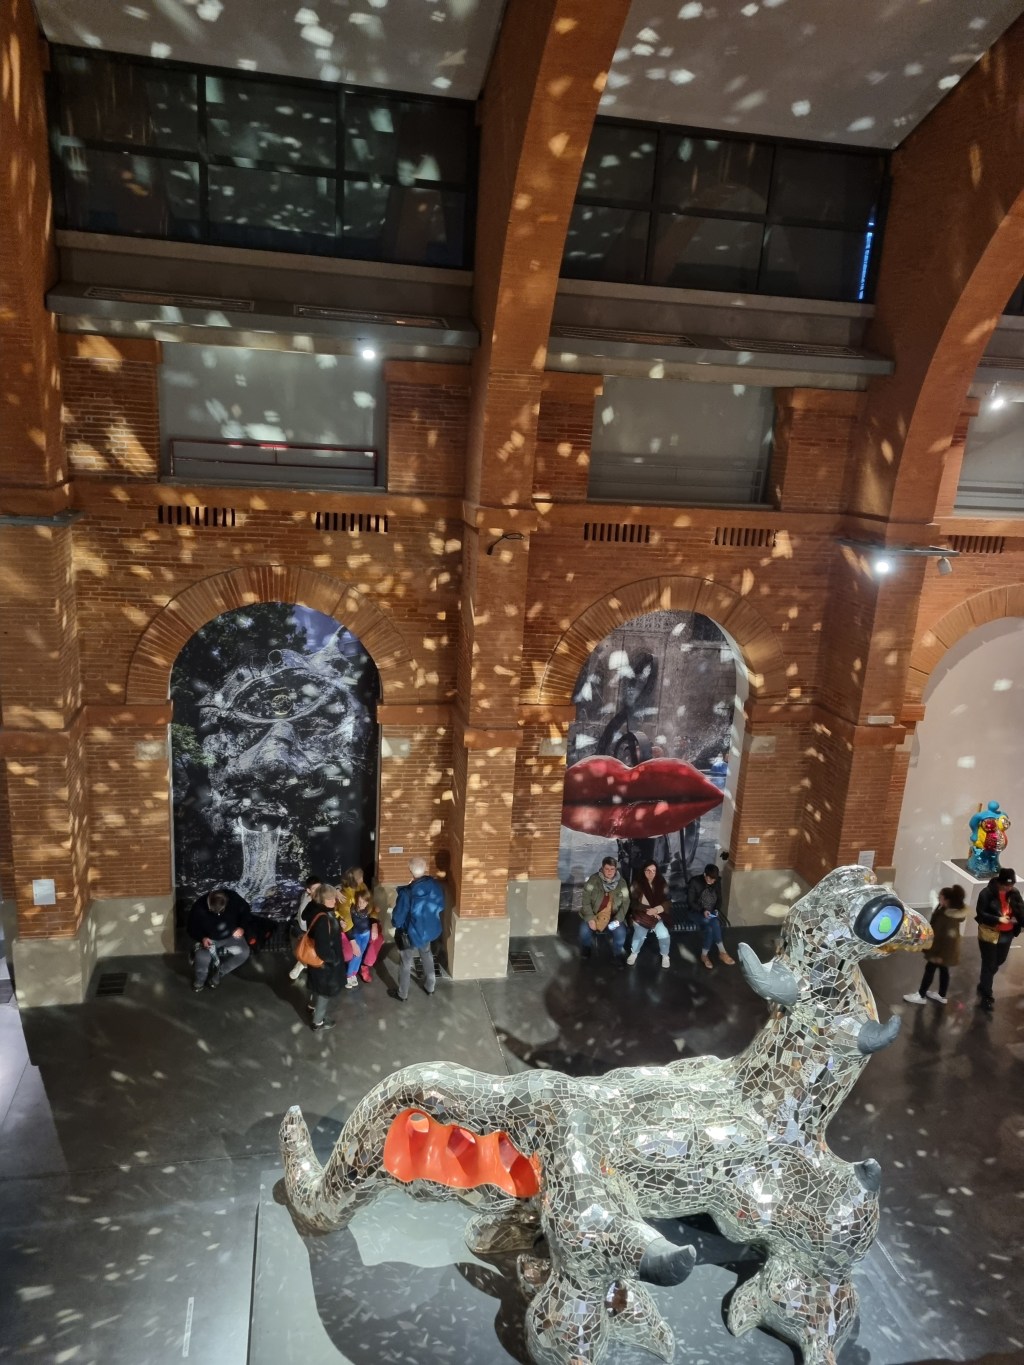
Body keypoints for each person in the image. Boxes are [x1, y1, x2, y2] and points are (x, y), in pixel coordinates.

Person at [389, 856, 445, 1002]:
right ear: (425, 869)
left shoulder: (407, 893)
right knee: (426, 954)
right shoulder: (434, 885)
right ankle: (430, 986)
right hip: (427, 931)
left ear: (410, 871)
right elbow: (440, 906)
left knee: (406, 962)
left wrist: (395, 923)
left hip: (410, 933)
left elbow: (398, 918)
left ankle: (402, 994)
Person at [903, 884, 968, 1005]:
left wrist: (936, 954)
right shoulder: (946, 911)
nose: (938, 898)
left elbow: (943, 938)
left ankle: (921, 995)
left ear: (947, 900)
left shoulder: (947, 917)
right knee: (943, 970)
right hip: (945, 951)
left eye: (941, 897)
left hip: (940, 951)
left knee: (930, 969)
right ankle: (941, 995)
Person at [975, 866, 1024, 1012]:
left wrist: (1018, 920)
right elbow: (981, 914)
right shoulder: (986, 894)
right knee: (989, 964)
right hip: (989, 933)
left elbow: (1021, 910)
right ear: (1000, 882)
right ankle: (986, 996)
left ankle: (984, 983)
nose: (1009, 888)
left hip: (1007, 934)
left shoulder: (1014, 893)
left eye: (1011, 885)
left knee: (999, 961)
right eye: (1007, 885)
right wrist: (998, 919)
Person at [187, 887, 251, 992]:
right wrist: (202, 938)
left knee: (244, 953)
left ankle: (218, 974)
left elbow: (246, 911)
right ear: (209, 903)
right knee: (202, 958)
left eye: (221, 911)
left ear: (226, 902)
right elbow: (191, 928)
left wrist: (242, 927)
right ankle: (199, 981)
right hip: (209, 939)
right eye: (213, 911)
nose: (218, 914)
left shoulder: (234, 898)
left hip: (231, 936)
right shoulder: (198, 907)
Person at [304, 884, 346, 1031]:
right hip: (325, 965)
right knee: (324, 992)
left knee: (317, 986)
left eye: (334, 897)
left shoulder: (316, 910)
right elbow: (323, 950)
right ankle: (318, 1022)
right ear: (323, 899)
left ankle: (311, 1006)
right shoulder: (324, 918)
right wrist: (335, 959)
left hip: (316, 964)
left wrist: (338, 924)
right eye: (331, 898)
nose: (334, 900)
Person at [579, 856, 630, 962]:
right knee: (584, 930)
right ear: (602, 868)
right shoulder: (593, 880)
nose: (609, 871)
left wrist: (618, 919)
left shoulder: (622, 883)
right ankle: (586, 947)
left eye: (612, 869)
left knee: (620, 933)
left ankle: (617, 953)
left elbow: (626, 902)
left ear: (616, 869)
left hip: (613, 917)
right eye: (607, 869)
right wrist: (590, 918)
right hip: (595, 914)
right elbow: (585, 899)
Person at [688, 863, 734, 970]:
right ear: (705, 874)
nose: (712, 882)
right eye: (709, 879)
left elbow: (719, 899)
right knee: (714, 922)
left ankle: (704, 955)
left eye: (714, 880)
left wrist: (716, 909)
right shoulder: (695, 882)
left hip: (710, 912)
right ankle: (722, 952)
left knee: (709, 928)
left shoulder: (716, 882)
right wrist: (703, 910)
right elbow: (690, 902)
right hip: (695, 912)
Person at [627, 861, 672, 968]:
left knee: (664, 934)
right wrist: (647, 909)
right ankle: (634, 953)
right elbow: (632, 903)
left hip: (658, 916)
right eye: (647, 870)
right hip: (641, 916)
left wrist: (657, 910)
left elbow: (668, 901)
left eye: (653, 871)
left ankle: (665, 955)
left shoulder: (661, 883)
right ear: (643, 871)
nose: (651, 873)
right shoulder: (637, 884)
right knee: (639, 934)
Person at [341, 887, 376, 990]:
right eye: (359, 901)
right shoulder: (352, 909)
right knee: (355, 955)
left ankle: (354, 974)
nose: (361, 904)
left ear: (368, 902)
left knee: (360, 955)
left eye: (364, 902)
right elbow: (343, 916)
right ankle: (349, 975)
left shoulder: (368, 910)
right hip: (356, 934)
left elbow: (374, 916)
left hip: (366, 934)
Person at [288, 874, 321, 982]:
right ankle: (302, 964)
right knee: (307, 952)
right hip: (304, 930)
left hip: (312, 929)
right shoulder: (307, 902)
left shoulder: (317, 897)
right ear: (308, 890)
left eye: (319, 888)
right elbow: (303, 922)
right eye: (315, 889)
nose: (318, 891)